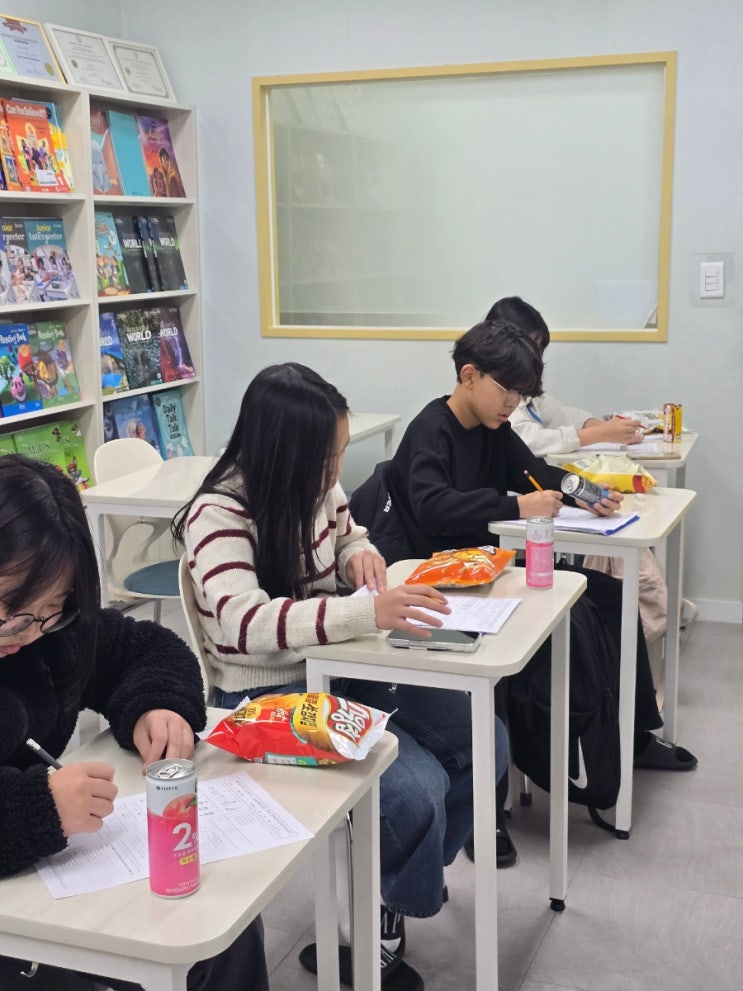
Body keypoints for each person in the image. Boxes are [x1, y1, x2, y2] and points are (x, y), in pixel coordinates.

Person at [173, 362, 512, 989]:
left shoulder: (316, 488)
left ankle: (389, 889)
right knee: (411, 791)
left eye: (340, 453)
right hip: (264, 698)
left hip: (337, 664)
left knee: (483, 738)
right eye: (328, 457)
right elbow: (244, 624)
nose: (336, 472)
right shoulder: (217, 515)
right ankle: (381, 908)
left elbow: (352, 534)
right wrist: (362, 611)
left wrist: (361, 559)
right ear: (286, 454)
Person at [361, 319, 696, 786]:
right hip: (441, 581)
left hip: (487, 569)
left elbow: (533, 471)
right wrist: (517, 506)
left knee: (613, 597)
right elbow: (434, 507)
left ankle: (633, 735)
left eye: (520, 394)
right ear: (469, 375)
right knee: (565, 616)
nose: (512, 404)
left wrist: (584, 490)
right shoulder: (431, 430)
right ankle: (532, 777)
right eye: (507, 391)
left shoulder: (493, 428)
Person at [0, 455, 268, 991]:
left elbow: (144, 648)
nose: (28, 631)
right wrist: (36, 808)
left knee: (219, 926)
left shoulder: (47, 636)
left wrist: (157, 705)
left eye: (52, 607)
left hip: (46, 875)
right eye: (12, 608)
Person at [487, 296, 646, 455]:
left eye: (538, 345)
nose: (535, 353)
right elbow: (529, 441)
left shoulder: (523, 391)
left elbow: (560, 414)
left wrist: (609, 428)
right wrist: (601, 433)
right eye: (531, 343)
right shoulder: (494, 394)